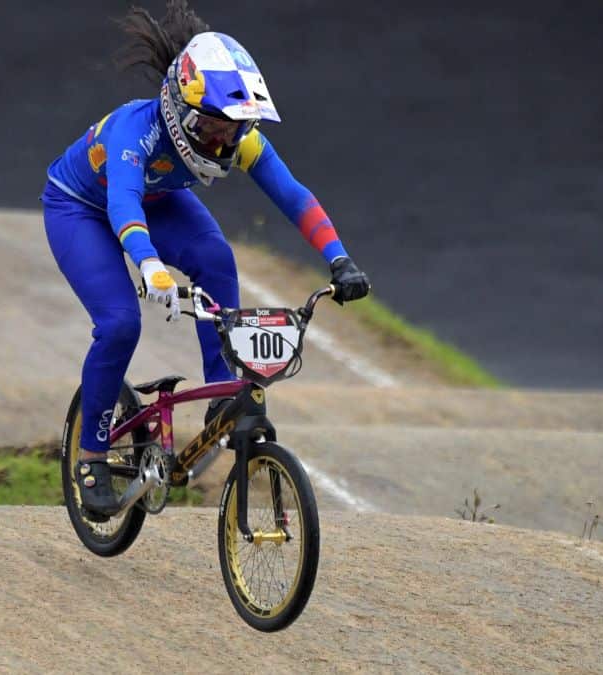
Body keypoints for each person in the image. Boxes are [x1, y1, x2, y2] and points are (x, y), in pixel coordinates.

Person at [41, 0, 370, 517]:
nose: (225, 140)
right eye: (214, 127)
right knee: (120, 323)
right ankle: (92, 457)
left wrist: (340, 259)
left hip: (155, 198)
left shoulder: (238, 138)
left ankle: (221, 392)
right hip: (81, 208)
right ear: (178, 111)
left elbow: (293, 196)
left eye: (236, 128)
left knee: (216, 259)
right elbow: (122, 202)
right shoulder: (136, 133)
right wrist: (150, 265)